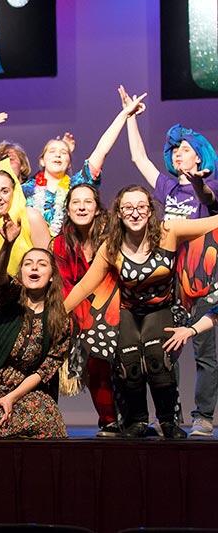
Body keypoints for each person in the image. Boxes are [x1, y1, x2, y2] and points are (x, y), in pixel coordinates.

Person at [64, 186, 218, 438]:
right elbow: (83, 286)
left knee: (157, 359)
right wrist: (56, 314)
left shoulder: (169, 231)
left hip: (162, 308)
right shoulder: (111, 247)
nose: (134, 213)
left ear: (149, 210)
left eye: (140, 207)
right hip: (128, 310)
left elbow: (212, 224)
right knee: (129, 363)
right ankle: (136, 420)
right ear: (119, 213)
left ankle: (168, 421)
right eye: (128, 208)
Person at [123, 85, 218, 437]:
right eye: (175, 150)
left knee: (205, 353)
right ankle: (170, 416)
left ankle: (203, 416)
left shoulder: (209, 184)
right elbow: (139, 159)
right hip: (170, 278)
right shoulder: (167, 187)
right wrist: (130, 118)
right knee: (169, 349)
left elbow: (208, 198)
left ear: (200, 158)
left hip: (202, 278)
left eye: (186, 149)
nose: (179, 154)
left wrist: (199, 186)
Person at [0, 217, 71, 439]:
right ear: (21, 272)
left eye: (42, 264)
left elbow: (44, 371)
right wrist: (8, 244)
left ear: (52, 276)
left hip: (26, 392)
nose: (34, 267)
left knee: (51, 425)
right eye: (28, 263)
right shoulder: (9, 300)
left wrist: (12, 397)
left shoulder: (60, 321)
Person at [21, 91, 146, 235]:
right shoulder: (25, 189)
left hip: (72, 246)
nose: (58, 155)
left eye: (64, 152)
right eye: (52, 151)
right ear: (42, 160)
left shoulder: (78, 184)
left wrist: (124, 114)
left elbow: (101, 150)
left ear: (69, 163)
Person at [51, 184, 120, 437]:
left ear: (98, 208)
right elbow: (66, 286)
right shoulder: (60, 243)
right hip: (80, 311)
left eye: (88, 202)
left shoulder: (112, 237)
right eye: (76, 203)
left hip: (115, 305)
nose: (81, 207)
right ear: (68, 209)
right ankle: (109, 419)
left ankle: (135, 418)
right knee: (95, 359)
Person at [0, 160, 50, 275]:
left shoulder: (31, 216)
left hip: (37, 282)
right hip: (5, 283)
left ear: (14, 193)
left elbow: (48, 262)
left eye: (5, 191)